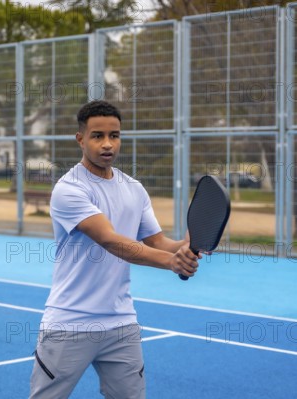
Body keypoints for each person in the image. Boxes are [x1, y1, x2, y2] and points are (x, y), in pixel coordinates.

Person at [29, 100, 202, 398]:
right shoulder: (69, 189)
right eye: (97, 136)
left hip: (121, 324)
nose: (107, 144)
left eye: (115, 135)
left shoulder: (134, 188)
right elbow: (111, 240)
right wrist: (173, 262)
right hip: (70, 323)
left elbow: (159, 243)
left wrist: (187, 245)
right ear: (80, 139)